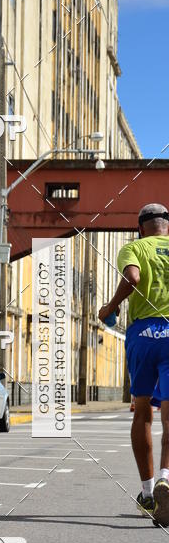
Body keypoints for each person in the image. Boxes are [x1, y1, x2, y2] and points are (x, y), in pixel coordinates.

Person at [99, 203, 169, 526]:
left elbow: (133, 277)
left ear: (141, 227)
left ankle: (148, 492)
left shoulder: (134, 247)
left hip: (144, 333)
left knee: (143, 411)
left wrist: (110, 306)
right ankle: (167, 477)